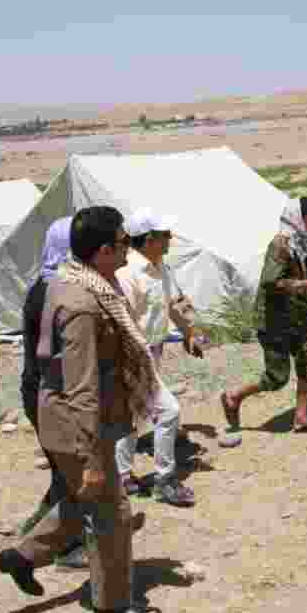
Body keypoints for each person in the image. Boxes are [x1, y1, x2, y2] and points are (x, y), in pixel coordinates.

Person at [0, 206, 162, 613]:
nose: (128, 249)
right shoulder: (83, 303)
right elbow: (81, 385)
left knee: (84, 500)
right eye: (123, 242)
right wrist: (91, 457)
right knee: (111, 513)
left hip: (67, 419)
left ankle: (22, 556)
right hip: (77, 425)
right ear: (103, 251)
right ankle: (111, 608)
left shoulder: (71, 281)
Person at [219, 197, 307, 435]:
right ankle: (234, 397)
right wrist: (306, 284)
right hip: (274, 320)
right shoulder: (280, 245)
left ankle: (301, 417)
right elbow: (271, 282)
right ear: (298, 218)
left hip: (297, 315)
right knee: (277, 378)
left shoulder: (303, 243)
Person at [115, 207, 205, 507]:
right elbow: (122, 322)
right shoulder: (127, 274)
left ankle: (121, 476)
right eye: (165, 234)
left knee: (132, 416)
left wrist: (189, 332)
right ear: (149, 239)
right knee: (168, 412)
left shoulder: (160, 268)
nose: (170, 238)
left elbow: (171, 304)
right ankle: (164, 480)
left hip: (152, 352)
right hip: (133, 356)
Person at [17, 216, 87, 569]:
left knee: (63, 471)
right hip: (52, 394)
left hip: (43, 390)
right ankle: (65, 548)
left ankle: (38, 525)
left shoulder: (48, 285)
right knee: (73, 475)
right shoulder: (53, 292)